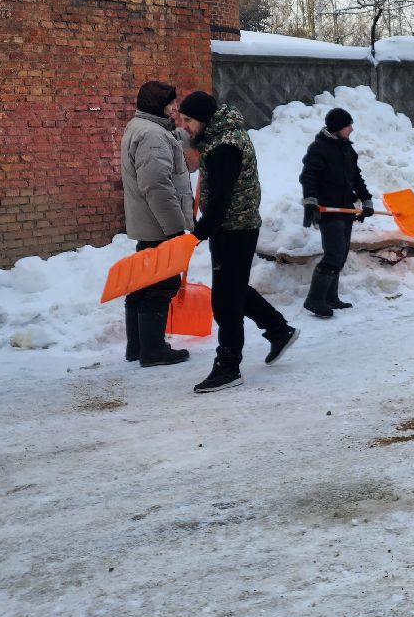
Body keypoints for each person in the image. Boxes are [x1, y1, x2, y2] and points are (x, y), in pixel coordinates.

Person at [176, 90, 299, 393]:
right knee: (234, 289)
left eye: (188, 120)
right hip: (235, 227)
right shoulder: (221, 137)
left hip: (234, 229)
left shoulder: (224, 148)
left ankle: (228, 366)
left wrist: (198, 233)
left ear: (204, 119)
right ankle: (278, 330)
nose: (184, 126)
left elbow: (221, 201)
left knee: (225, 302)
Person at [120, 80, 193, 367]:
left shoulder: (141, 128)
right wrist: (175, 228)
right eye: (170, 103)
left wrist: (188, 136)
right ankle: (153, 350)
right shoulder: (153, 136)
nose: (175, 108)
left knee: (143, 282)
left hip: (147, 222)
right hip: (158, 225)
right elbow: (157, 186)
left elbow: (169, 141)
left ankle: (137, 346)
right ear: (157, 105)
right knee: (162, 284)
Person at [299, 107, 374, 318]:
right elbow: (309, 176)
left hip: (345, 208)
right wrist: (311, 200)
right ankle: (314, 300)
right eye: (348, 125)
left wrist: (366, 199)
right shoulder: (319, 149)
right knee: (333, 254)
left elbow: (356, 177)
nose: (351, 129)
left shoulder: (347, 149)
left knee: (340, 255)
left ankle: (330, 298)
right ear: (337, 127)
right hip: (328, 209)